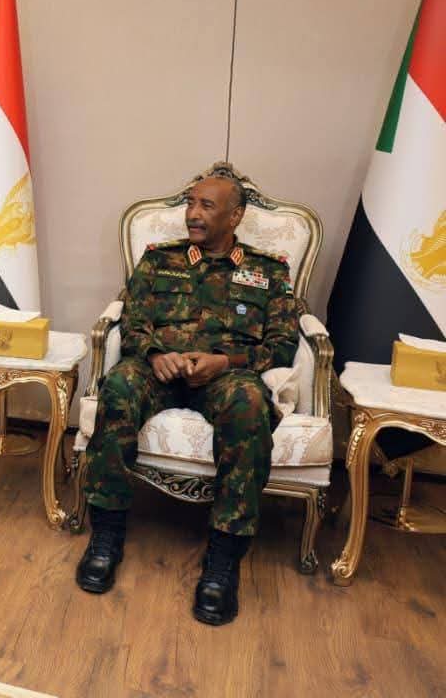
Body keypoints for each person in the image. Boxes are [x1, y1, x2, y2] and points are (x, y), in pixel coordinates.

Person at [75, 165, 298, 625]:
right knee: (118, 387)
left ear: (234, 217)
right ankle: (107, 535)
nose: (193, 214)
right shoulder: (158, 260)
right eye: (191, 204)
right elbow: (132, 323)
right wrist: (154, 354)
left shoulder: (268, 272)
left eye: (206, 206)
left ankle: (223, 561)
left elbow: (282, 345)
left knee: (250, 405)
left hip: (226, 376)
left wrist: (226, 361)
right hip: (159, 369)